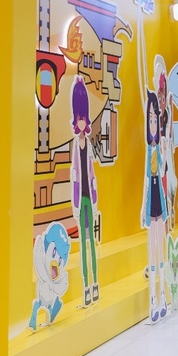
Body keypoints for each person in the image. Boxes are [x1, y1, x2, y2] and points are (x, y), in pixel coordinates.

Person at [69, 76, 99, 307]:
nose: (81, 122)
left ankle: (95, 284)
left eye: (83, 117)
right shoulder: (75, 146)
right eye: (78, 117)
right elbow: (74, 175)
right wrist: (75, 204)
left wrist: (95, 198)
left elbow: (91, 172)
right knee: (83, 245)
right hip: (81, 200)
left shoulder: (88, 144)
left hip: (90, 198)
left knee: (91, 244)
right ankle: (86, 285)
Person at [142, 91, 168, 323]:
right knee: (152, 252)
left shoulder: (158, 150)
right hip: (151, 205)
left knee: (161, 251)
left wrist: (165, 151)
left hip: (160, 203)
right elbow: (145, 182)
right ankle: (153, 299)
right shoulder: (148, 152)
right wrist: (143, 208)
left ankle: (162, 297)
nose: (153, 124)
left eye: (155, 119)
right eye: (150, 119)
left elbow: (162, 171)